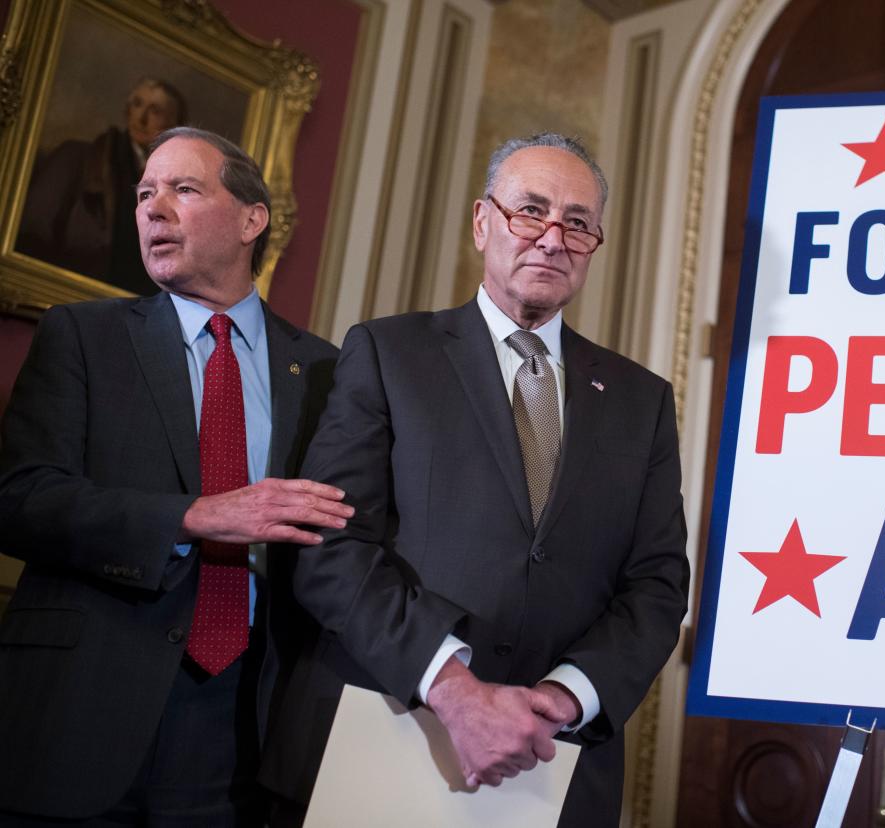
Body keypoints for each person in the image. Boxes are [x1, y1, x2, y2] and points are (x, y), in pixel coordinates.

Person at [260, 133, 690, 826]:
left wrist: (564, 696)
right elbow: (330, 547)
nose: (552, 238)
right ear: (482, 221)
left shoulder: (643, 401)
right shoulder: (387, 352)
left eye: (577, 223)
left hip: (549, 767)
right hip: (382, 738)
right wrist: (455, 689)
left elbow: (659, 584)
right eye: (531, 211)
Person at [0, 127, 350, 825]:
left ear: (253, 220)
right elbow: (19, 500)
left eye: (183, 189)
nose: (153, 208)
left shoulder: (323, 370)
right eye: (143, 193)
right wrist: (195, 516)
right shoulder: (84, 336)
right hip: (81, 707)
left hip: (242, 728)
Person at [17, 78, 186, 294]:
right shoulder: (76, 158)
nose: (141, 118)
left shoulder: (178, 185)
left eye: (155, 111)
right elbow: (33, 232)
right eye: (137, 105)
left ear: (174, 124)